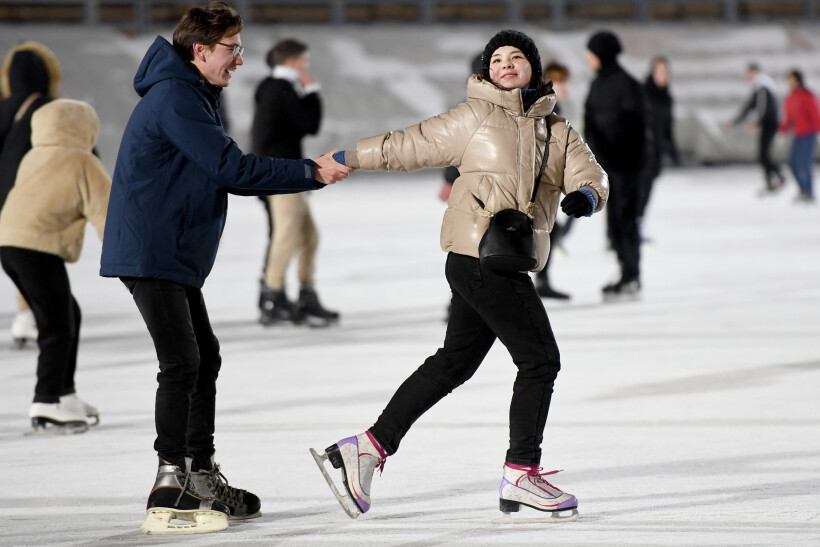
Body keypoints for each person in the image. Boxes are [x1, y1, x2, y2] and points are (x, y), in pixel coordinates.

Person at [312, 30, 608, 519]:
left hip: (505, 260)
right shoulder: (475, 116)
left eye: (517, 57)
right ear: (486, 70)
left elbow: (590, 172)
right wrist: (347, 157)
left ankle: (367, 447)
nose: (506, 64)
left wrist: (587, 196)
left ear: (533, 68)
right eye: (497, 58)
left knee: (454, 363)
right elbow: (408, 145)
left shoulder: (556, 130)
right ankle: (521, 472)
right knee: (540, 360)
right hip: (474, 257)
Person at [98, 1, 351, 533]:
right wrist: (313, 170)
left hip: (171, 251)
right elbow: (229, 167)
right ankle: (171, 480)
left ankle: (202, 475)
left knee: (202, 357)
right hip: (151, 248)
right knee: (183, 360)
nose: (239, 59)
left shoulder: (192, 93)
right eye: (232, 49)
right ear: (201, 50)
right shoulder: (175, 96)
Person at [0, 99, 109, 434]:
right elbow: (108, 213)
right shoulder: (82, 161)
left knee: (67, 313)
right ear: (86, 128)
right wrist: (127, 256)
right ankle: (46, 401)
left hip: (9, 244)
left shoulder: (35, 155)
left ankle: (65, 392)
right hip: (37, 248)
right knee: (56, 325)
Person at [252, 38, 338, 327]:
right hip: (281, 176)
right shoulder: (281, 88)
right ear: (292, 62)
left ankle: (304, 294)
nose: (307, 66)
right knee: (286, 235)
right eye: (305, 61)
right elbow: (310, 125)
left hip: (285, 175)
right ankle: (273, 296)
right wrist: (312, 91)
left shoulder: (273, 87)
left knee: (307, 236)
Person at [0, 41, 61, 347]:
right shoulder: (50, 110)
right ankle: (53, 392)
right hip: (36, 205)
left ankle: (25, 315)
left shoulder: (4, 108)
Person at [584, 30, 647, 300]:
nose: (587, 58)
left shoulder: (627, 85)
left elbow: (636, 130)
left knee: (626, 222)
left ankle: (632, 276)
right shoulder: (599, 83)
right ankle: (625, 273)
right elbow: (592, 123)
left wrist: (619, 161)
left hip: (626, 169)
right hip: (607, 169)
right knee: (615, 225)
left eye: (591, 53)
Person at [535, 60, 574, 300]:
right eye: (563, 82)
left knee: (551, 228)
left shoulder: (555, 106)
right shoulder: (544, 107)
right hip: (534, 181)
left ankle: (541, 280)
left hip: (544, 179)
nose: (567, 87)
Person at [724, 63, 784, 195]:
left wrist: (756, 123)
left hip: (769, 123)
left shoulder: (762, 87)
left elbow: (762, 108)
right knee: (763, 154)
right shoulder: (759, 87)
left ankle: (778, 176)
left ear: (756, 72)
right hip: (767, 123)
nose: (748, 76)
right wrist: (733, 123)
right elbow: (748, 107)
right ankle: (773, 180)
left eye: (750, 73)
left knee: (764, 154)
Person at [640, 56, 679, 225]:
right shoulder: (642, 93)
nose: (663, 76)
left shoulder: (667, 98)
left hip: (656, 152)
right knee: (636, 191)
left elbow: (667, 127)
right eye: (660, 72)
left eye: (666, 72)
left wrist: (673, 152)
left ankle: (638, 223)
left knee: (647, 189)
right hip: (640, 152)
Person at [779, 69, 820, 203]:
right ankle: (803, 189)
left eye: (791, 79)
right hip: (798, 134)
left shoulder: (807, 95)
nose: (788, 82)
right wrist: (782, 131)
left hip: (809, 134)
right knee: (793, 163)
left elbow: (815, 114)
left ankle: (809, 192)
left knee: (805, 164)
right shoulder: (790, 97)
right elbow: (788, 117)